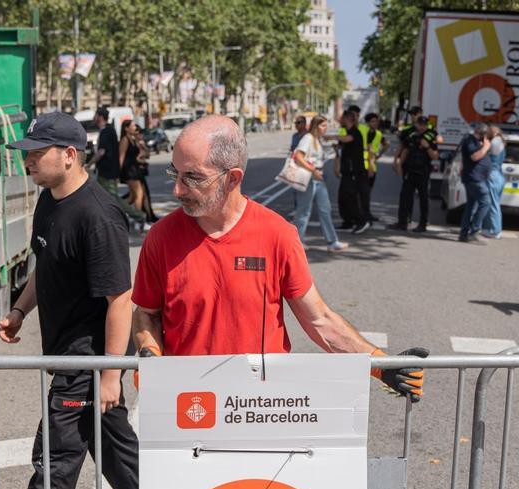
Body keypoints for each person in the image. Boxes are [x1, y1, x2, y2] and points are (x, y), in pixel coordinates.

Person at [131, 115, 426, 397]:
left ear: (233, 178)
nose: (177, 189)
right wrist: (150, 355)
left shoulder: (276, 234)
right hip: (187, 406)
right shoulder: (161, 237)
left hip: (259, 409)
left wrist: (380, 364)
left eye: (192, 178)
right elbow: (146, 313)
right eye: (175, 173)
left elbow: (319, 321)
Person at [0, 112, 140, 489]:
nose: (26, 160)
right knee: (112, 444)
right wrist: (20, 311)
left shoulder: (99, 215)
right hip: (76, 358)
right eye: (26, 152)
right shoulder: (49, 202)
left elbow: (120, 300)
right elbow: (46, 267)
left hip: (87, 362)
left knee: (54, 461)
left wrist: (108, 374)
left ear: (69, 155)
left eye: (36, 153)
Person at [291, 115, 348, 252]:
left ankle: (332, 242)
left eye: (326, 125)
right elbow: (298, 156)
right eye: (323, 126)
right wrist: (313, 170)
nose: (325, 128)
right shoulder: (308, 138)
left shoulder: (316, 139)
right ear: (315, 126)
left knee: (325, 209)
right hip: (310, 178)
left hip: (317, 178)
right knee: (304, 212)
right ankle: (296, 243)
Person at [91, 107, 147, 228]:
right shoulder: (107, 130)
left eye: (95, 115)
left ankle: (138, 216)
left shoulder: (107, 131)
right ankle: (109, 220)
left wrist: (88, 164)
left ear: (100, 117)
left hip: (108, 172)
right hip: (105, 171)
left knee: (113, 197)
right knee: (101, 197)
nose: (94, 118)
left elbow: (102, 152)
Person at [392, 115, 439, 232]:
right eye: (420, 124)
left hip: (423, 172)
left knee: (423, 198)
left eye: (425, 124)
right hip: (410, 170)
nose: (422, 127)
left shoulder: (431, 136)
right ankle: (402, 223)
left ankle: (422, 224)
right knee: (405, 197)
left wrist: (427, 146)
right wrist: (398, 163)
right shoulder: (412, 135)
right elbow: (406, 150)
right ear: (417, 124)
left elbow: (435, 156)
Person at [335, 110, 372, 234]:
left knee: (351, 197)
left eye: (342, 118)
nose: (340, 120)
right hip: (347, 172)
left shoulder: (355, 133)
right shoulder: (347, 132)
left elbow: (346, 140)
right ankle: (348, 221)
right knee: (342, 197)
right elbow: (341, 146)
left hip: (355, 172)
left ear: (348, 119)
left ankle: (361, 221)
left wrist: (330, 136)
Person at [458, 123, 493, 242]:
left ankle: (464, 234)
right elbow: (474, 157)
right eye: (485, 135)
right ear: (481, 134)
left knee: (471, 206)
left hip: (476, 178)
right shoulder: (470, 141)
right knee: (486, 202)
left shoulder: (475, 141)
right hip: (475, 179)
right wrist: (486, 147)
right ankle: (474, 230)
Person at [118, 120, 150, 220]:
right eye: (132, 126)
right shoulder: (125, 140)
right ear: (126, 128)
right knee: (139, 193)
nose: (135, 128)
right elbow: (121, 157)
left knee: (132, 197)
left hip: (134, 170)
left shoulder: (132, 139)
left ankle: (116, 212)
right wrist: (117, 174)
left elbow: (141, 154)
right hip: (129, 171)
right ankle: (139, 219)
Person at [483, 125, 506, 239]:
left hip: (493, 175)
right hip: (498, 175)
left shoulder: (496, 142)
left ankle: (495, 230)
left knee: (493, 203)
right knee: (491, 202)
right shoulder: (500, 141)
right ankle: (488, 228)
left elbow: (487, 154)